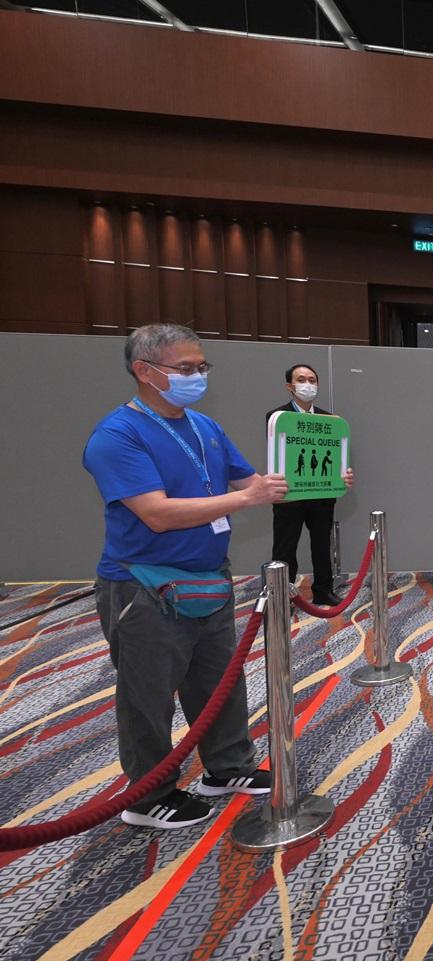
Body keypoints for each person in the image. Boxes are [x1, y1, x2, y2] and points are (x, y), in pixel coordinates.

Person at [83, 323, 285, 829]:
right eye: (186, 368)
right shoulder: (117, 436)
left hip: (208, 577)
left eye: (202, 366)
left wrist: (319, 479)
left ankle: (228, 766)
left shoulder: (204, 426)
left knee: (218, 681)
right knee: (147, 694)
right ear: (144, 371)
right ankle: (148, 796)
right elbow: (156, 513)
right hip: (143, 585)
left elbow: (253, 482)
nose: (197, 376)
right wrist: (245, 499)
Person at [267, 363, 354, 606]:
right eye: (301, 379)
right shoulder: (278, 417)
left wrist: (343, 475)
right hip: (290, 495)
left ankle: (323, 590)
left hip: (321, 494)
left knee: (322, 545)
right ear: (290, 386)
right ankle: (282, 595)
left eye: (312, 380)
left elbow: (337, 455)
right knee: (285, 547)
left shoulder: (329, 420)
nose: (308, 384)